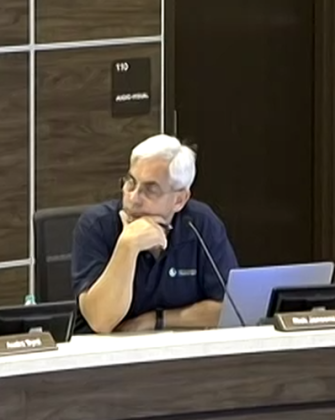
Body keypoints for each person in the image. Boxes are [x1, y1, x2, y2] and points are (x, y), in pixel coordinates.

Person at [72, 134, 239, 334]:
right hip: (107, 355)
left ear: (179, 200)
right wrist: (128, 245)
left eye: (150, 190)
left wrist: (157, 320)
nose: (134, 198)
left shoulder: (200, 224)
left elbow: (231, 310)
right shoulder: (96, 225)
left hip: (179, 352)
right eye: (131, 183)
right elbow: (101, 321)